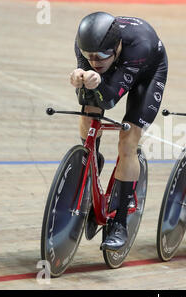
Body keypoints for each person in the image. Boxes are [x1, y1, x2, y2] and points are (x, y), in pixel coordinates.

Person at [70, 12, 168, 250]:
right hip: (117, 69)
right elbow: (90, 92)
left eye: (102, 55)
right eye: (88, 56)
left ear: (118, 45)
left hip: (147, 73)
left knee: (128, 141)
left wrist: (98, 81)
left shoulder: (140, 44)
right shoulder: (86, 47)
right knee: (88, 111)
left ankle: (120, 222)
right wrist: (80, 79)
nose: (94, 61)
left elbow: (111, 98)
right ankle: (93, 158)